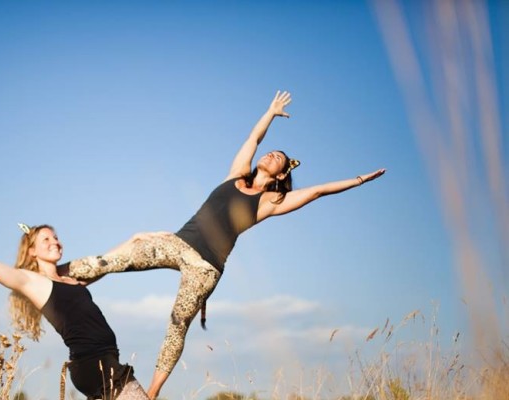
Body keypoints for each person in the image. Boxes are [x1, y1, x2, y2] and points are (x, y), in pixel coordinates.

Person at [63, 90, 386, 399]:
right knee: (118, 259)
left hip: (205, 267)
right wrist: (270, 114)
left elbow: (317, 192)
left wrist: (358, 180)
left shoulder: (270, 201)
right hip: (178, 243)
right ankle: (56, 275)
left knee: (177, 324)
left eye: (279, 158)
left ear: (281, 174)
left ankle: (152, 393)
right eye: (272, 151)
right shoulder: (235, 175)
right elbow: (252, 139)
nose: (271, 154)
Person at [0, 224, 149, 400]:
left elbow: (104, 263)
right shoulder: (33, 282)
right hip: (93, 362)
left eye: (56, 237)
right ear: (32, 251)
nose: (55, 241)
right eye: (46, 239)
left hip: (104, 361)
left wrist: (133, 240)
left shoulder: (70, 278)